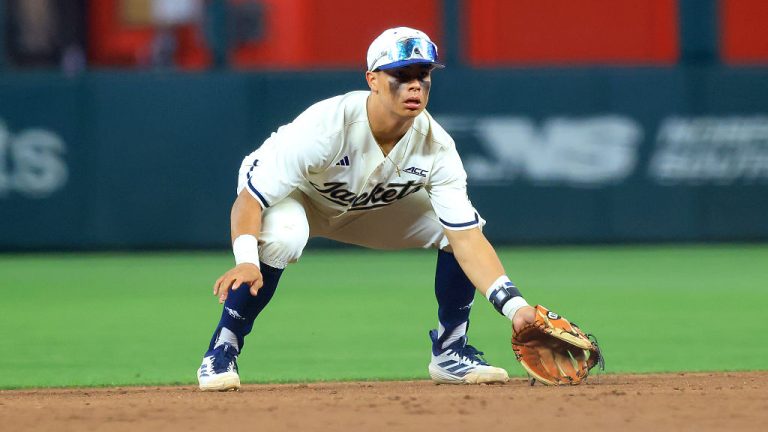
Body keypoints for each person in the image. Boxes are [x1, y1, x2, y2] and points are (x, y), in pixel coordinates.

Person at [196, 27, 536, 391]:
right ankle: (222, 349)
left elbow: (467, 238)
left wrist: (516, 308)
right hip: (295, 198)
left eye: (422, 75)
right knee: (284, 238)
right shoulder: (326, 127)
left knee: (453, 227)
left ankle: (450, 351)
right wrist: (247, 259)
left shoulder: (437, 147)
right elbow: (250, 200)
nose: (415, 86)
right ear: (372, 80)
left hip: (364, 206)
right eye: (401, 76)